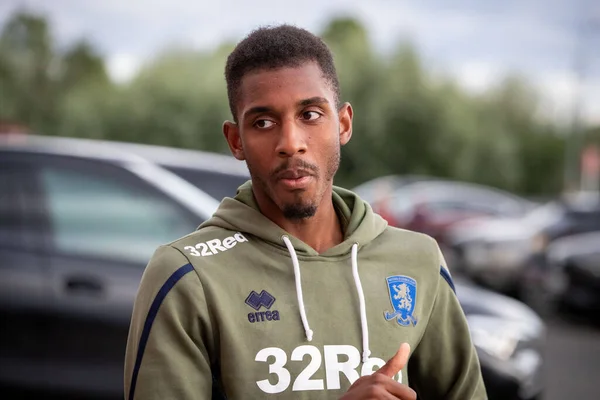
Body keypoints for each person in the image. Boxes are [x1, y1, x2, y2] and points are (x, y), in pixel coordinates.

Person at [124, 25, 487, 400]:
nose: (291, 143)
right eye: (263, 122)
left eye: (311, 115)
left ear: (343, 123)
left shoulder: (417, 261)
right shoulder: (188, 275)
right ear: (236, 141)